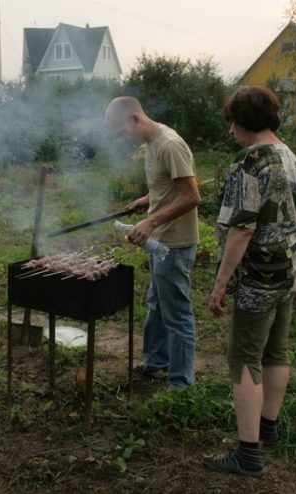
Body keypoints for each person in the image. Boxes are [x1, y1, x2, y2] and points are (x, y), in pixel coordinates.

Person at [204, 86, 296, 476]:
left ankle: (247, 454)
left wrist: (220, 283)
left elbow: (243, 229)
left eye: (232, 120)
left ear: (242, 121)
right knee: (276, 350)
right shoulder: (289, 155)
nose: (231, 129)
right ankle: (268, 428)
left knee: (244, 356)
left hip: (262, 272)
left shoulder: (250, 161)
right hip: (292, 265)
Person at [104, 96, 201, 389]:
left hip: (174, 243)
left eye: (121, 132)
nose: (122, 139)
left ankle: (181, 383)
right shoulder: (152, 143)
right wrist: (146, 202)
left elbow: (192, 196)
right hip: (159, 242)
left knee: (177, 314)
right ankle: (156, 363)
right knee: (157, 305)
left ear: (135, 118)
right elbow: (170, 187)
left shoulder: (169, 144)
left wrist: (152, 220)